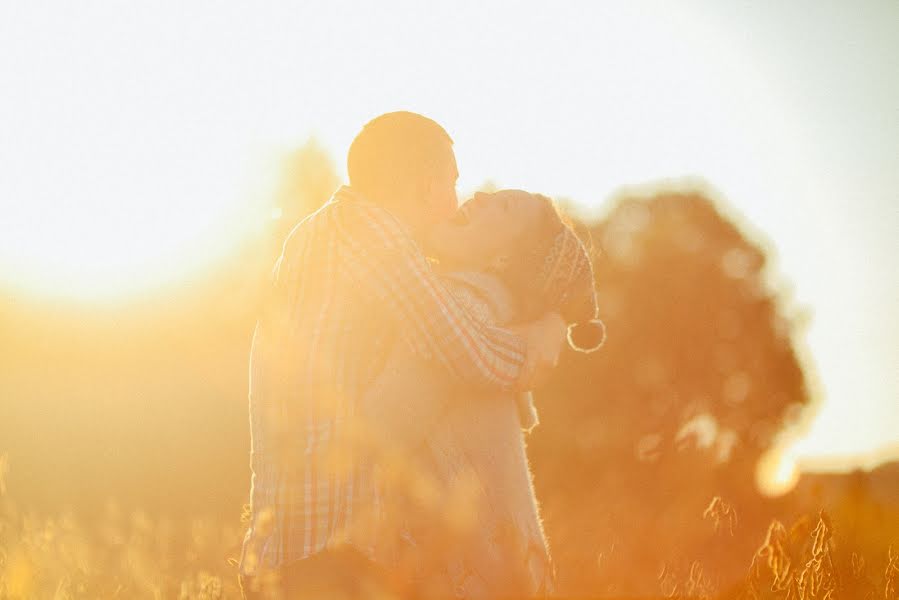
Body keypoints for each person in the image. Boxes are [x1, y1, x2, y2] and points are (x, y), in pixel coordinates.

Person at [237, 112, 570, 599]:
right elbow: (466, 351)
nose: (458, 202)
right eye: (453, 183)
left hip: (287, 545)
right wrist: (539, 339)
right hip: (326, 551)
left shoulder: (321, 230)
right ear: (426, 185)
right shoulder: (370, 232)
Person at [360, 189, 605, 598]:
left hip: (463, 579)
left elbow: (376, 430)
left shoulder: (467, 305)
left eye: (503, 206)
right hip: (499, 572)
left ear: (505, 259)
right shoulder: (491, 307)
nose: (480, 197)